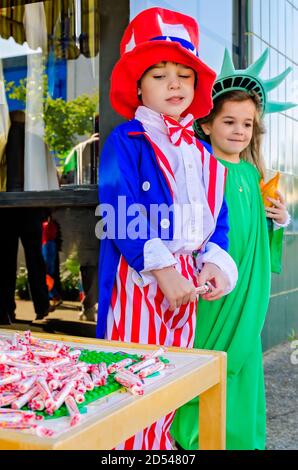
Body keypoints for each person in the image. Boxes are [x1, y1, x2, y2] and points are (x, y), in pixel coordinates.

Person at [96, 8, 238, 450]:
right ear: (138, 85)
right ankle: (126, 451)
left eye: (183, 73)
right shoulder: (126, 139)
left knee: (171, 373)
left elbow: (219, 221)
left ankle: (158, 446)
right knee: (130, 371)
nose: (174, 83)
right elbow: (119, 207)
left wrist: (215, 261)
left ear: (196, 87)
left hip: (186, 278)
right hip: (139, 274)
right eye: (158, 74)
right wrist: (161, 269)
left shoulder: (205, 155)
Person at [171, 48, 294, 450]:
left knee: (242, 359)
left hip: (246, 295)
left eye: (247, 124)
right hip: (211, 294)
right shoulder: (199, 167)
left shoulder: (252, 175)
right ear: (205, 123)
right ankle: (192, 438)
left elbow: (259, 241)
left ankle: (238, 437)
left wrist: (278, 219)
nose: (239, 131)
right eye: (229, 121)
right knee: (206, 355)